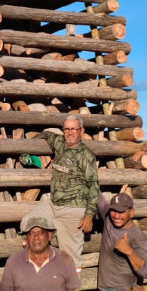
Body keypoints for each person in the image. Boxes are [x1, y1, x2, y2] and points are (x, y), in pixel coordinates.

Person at [37, 115, 99, 272]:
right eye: (67, 129)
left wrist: (89, 214)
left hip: (73, 209)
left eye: (73, 129)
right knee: (28, 222)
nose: (70, 132)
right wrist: (28, 148)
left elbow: (93, 185)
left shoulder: (86, 155)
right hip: (53, 205)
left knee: (70, 260)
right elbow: (46, 135)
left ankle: (72, 286)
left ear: (81, 131)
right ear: (63, 130)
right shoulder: (59, 142)